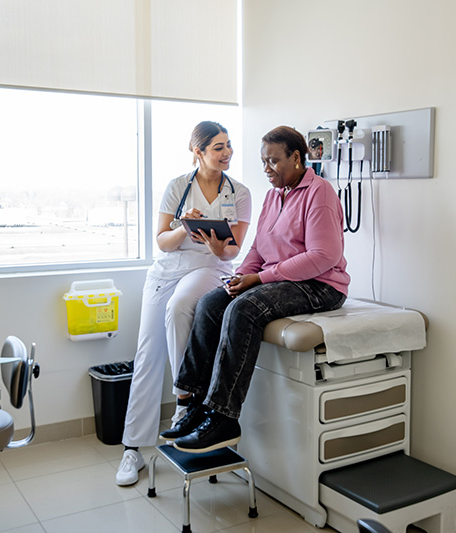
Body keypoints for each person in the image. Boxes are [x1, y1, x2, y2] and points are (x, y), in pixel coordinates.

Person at [160, 125, 350, 454]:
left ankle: (223, 417)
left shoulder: (320, 193)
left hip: (320, 285)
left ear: (296, 157)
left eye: (273, 162)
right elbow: (259, 250)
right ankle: (195, 403)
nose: (267, 170)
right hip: (280, 279)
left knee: (242, 308)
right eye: (263, 162)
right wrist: (242, 275)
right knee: (211, 303)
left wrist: (259, 279)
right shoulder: (275, 196)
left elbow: (323, 257)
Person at [115, 121, 252, 485]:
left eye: (228, 146)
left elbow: (235, 247)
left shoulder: (239, 192)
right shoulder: (178, 186)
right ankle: (132, 449)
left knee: (180, 308)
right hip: (166, 269)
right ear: (199, 151)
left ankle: (183, 402)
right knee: (147, 354)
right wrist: (185, 227)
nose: (227, 154)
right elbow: (162, 241)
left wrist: (218, 246)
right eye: (218, 147)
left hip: (209, 266)